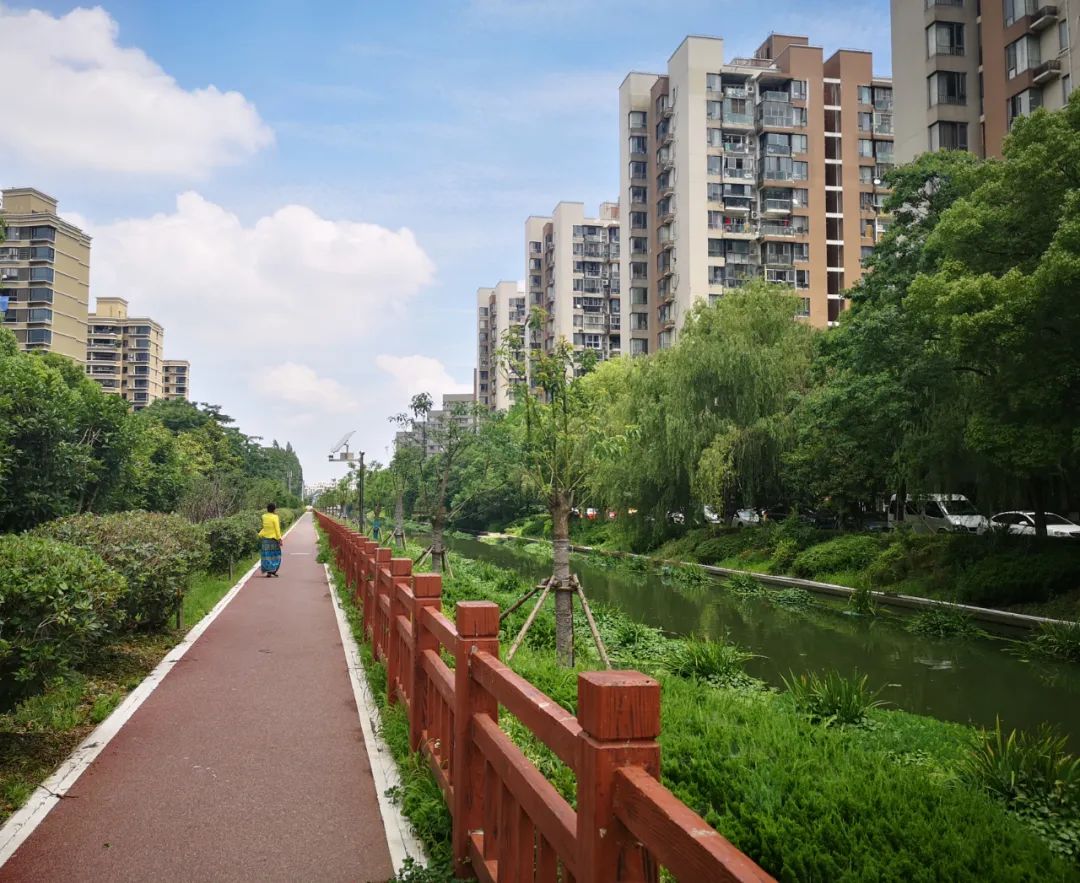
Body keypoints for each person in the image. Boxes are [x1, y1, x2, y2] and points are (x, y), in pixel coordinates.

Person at [259, 503, 283, 577]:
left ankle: (268, 571)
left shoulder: (263, 516)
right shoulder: (275, 517)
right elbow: (277, 528)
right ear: (274, 509)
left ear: (267, 509)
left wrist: (260, 534)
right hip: (273, 539)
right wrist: (279, 539)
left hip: (265, 539)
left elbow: (265, 527)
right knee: (276, 555)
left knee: (266, 556)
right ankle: (273, 570)